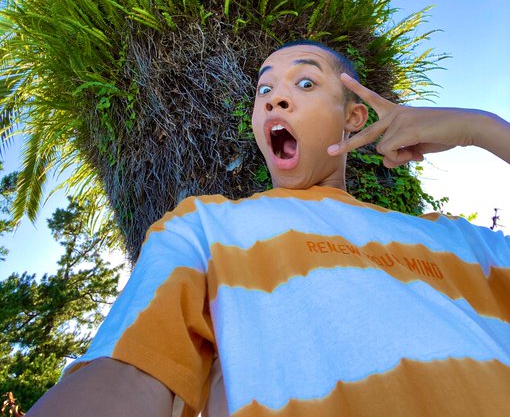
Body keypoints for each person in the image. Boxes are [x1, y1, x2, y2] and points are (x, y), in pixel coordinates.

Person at [27, 41, 510, 417]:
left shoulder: (458, 242)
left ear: (354, 116)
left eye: (305, 83)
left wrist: (482, 128)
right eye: (264, 90)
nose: (276, 97)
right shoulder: (204, 229)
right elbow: (129, 373)